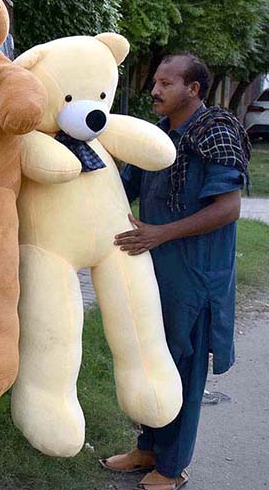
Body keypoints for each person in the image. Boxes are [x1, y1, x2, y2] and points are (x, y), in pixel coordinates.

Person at [99, 53, 251, 490]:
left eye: (165, 83)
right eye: (155, 83)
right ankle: (147, 447)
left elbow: (228, 208)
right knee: (152, 358)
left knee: (183, 367)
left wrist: (160, 233)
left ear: (193, 90)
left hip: (196, 276)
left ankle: (172, 465)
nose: (155, 90)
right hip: (154, 272)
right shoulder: (157, 137)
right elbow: (123, 188)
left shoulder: (216, 132)